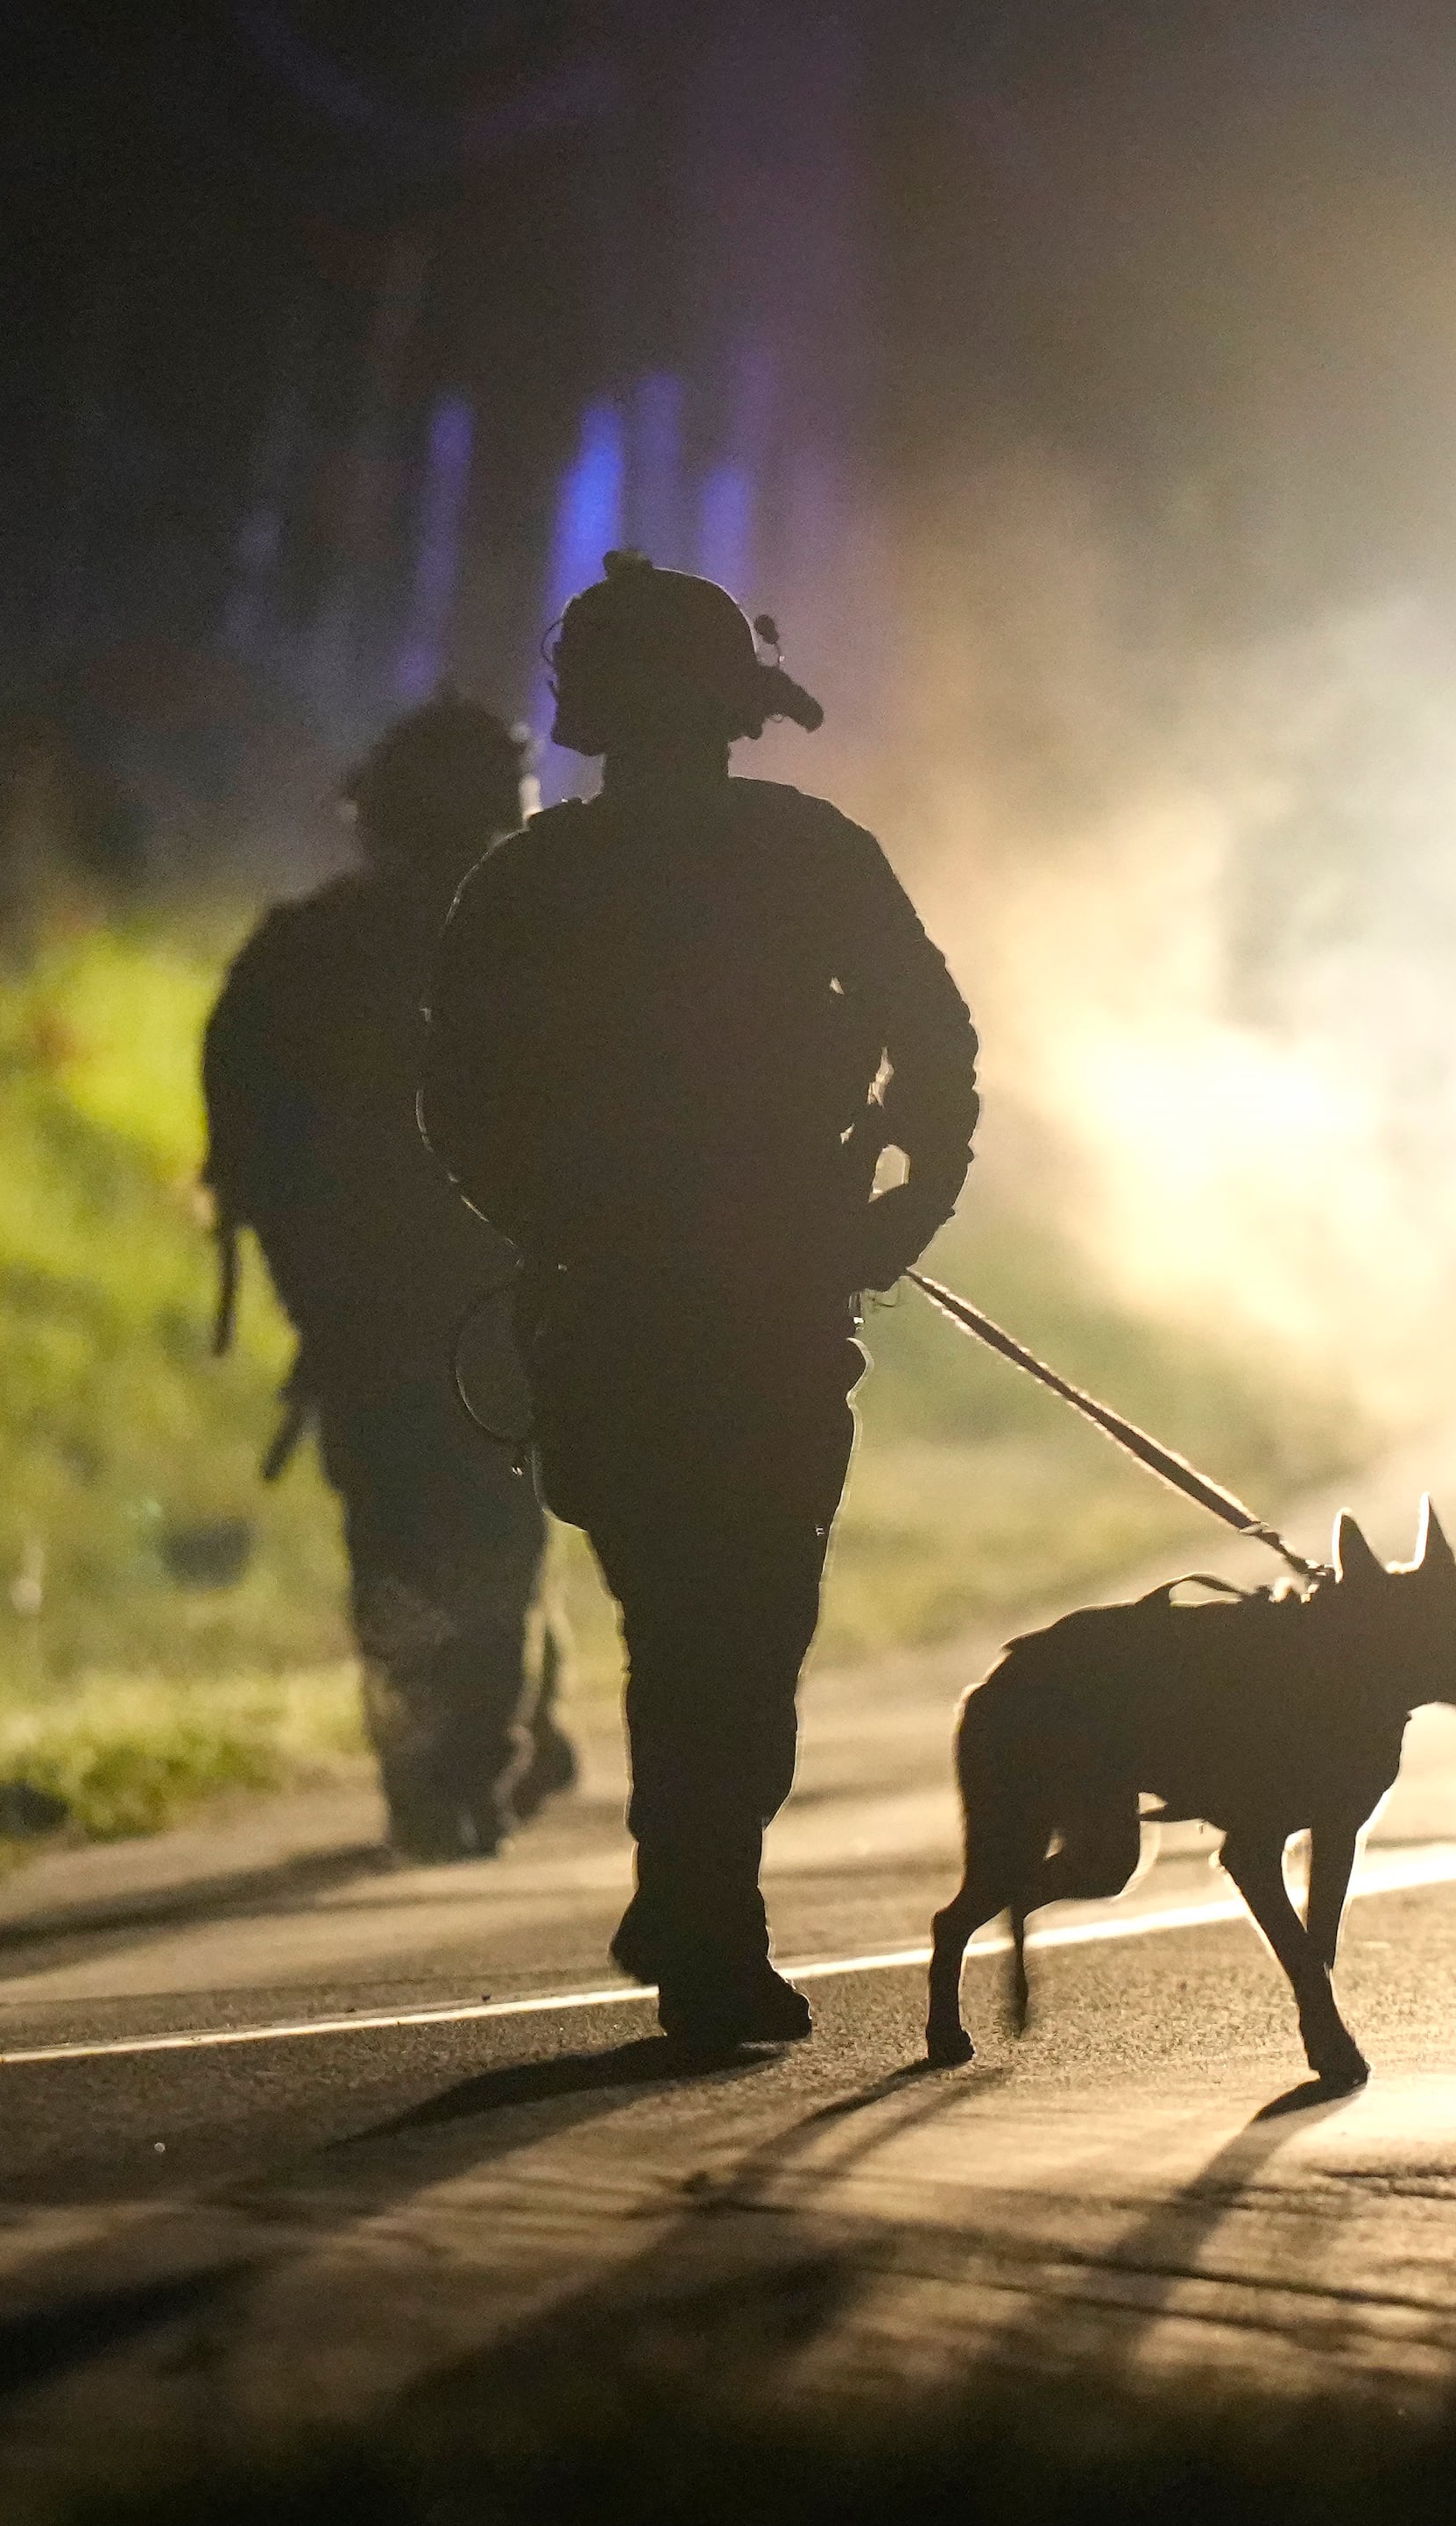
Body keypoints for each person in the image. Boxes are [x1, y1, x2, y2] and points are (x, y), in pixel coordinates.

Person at [423, 554, 980, 2048]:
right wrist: (890, 1223)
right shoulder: (811, 855)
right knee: (742, 1621)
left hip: (622, 1317)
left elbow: (455, 1104)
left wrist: (558, 1233)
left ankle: (693, 1889)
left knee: (683, 1616)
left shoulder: (527, 883)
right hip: (766, 1307)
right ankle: (703, 1908)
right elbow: (938, 1057)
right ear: (736, 706)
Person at [205, 691, 573, 1859]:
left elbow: (248, 1156)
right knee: (495, 1531)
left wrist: (311, 1290)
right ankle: (466, 1757)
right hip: (492, 1303)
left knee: (406, 1541)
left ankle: (443, 1761)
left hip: (370, 1314)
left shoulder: (303, 951)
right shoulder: (533, 948)